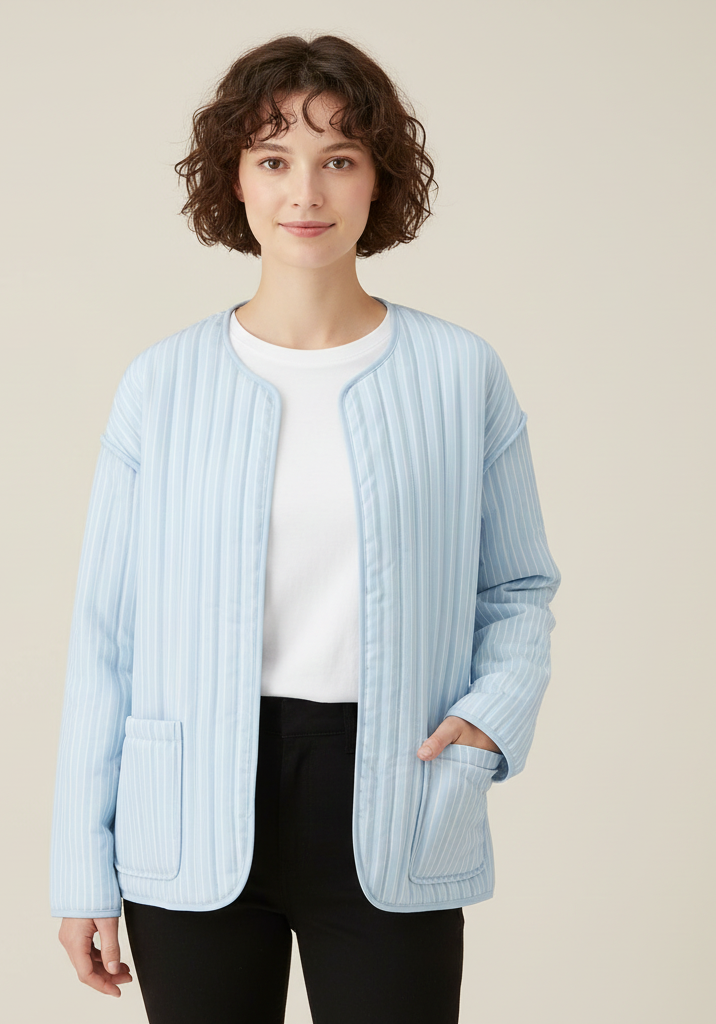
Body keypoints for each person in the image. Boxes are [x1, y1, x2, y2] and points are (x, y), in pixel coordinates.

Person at [50, 32, 561, 1024]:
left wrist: (492, 715)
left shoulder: (459, 375)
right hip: (189, 799)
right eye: (274, 159)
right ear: (234, 179)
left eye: (339, 159)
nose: (305, 193)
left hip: (396, 791)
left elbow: (517, 587)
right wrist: (81, 866)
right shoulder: (162, 384)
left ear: (379, 179)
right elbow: (105, 636)